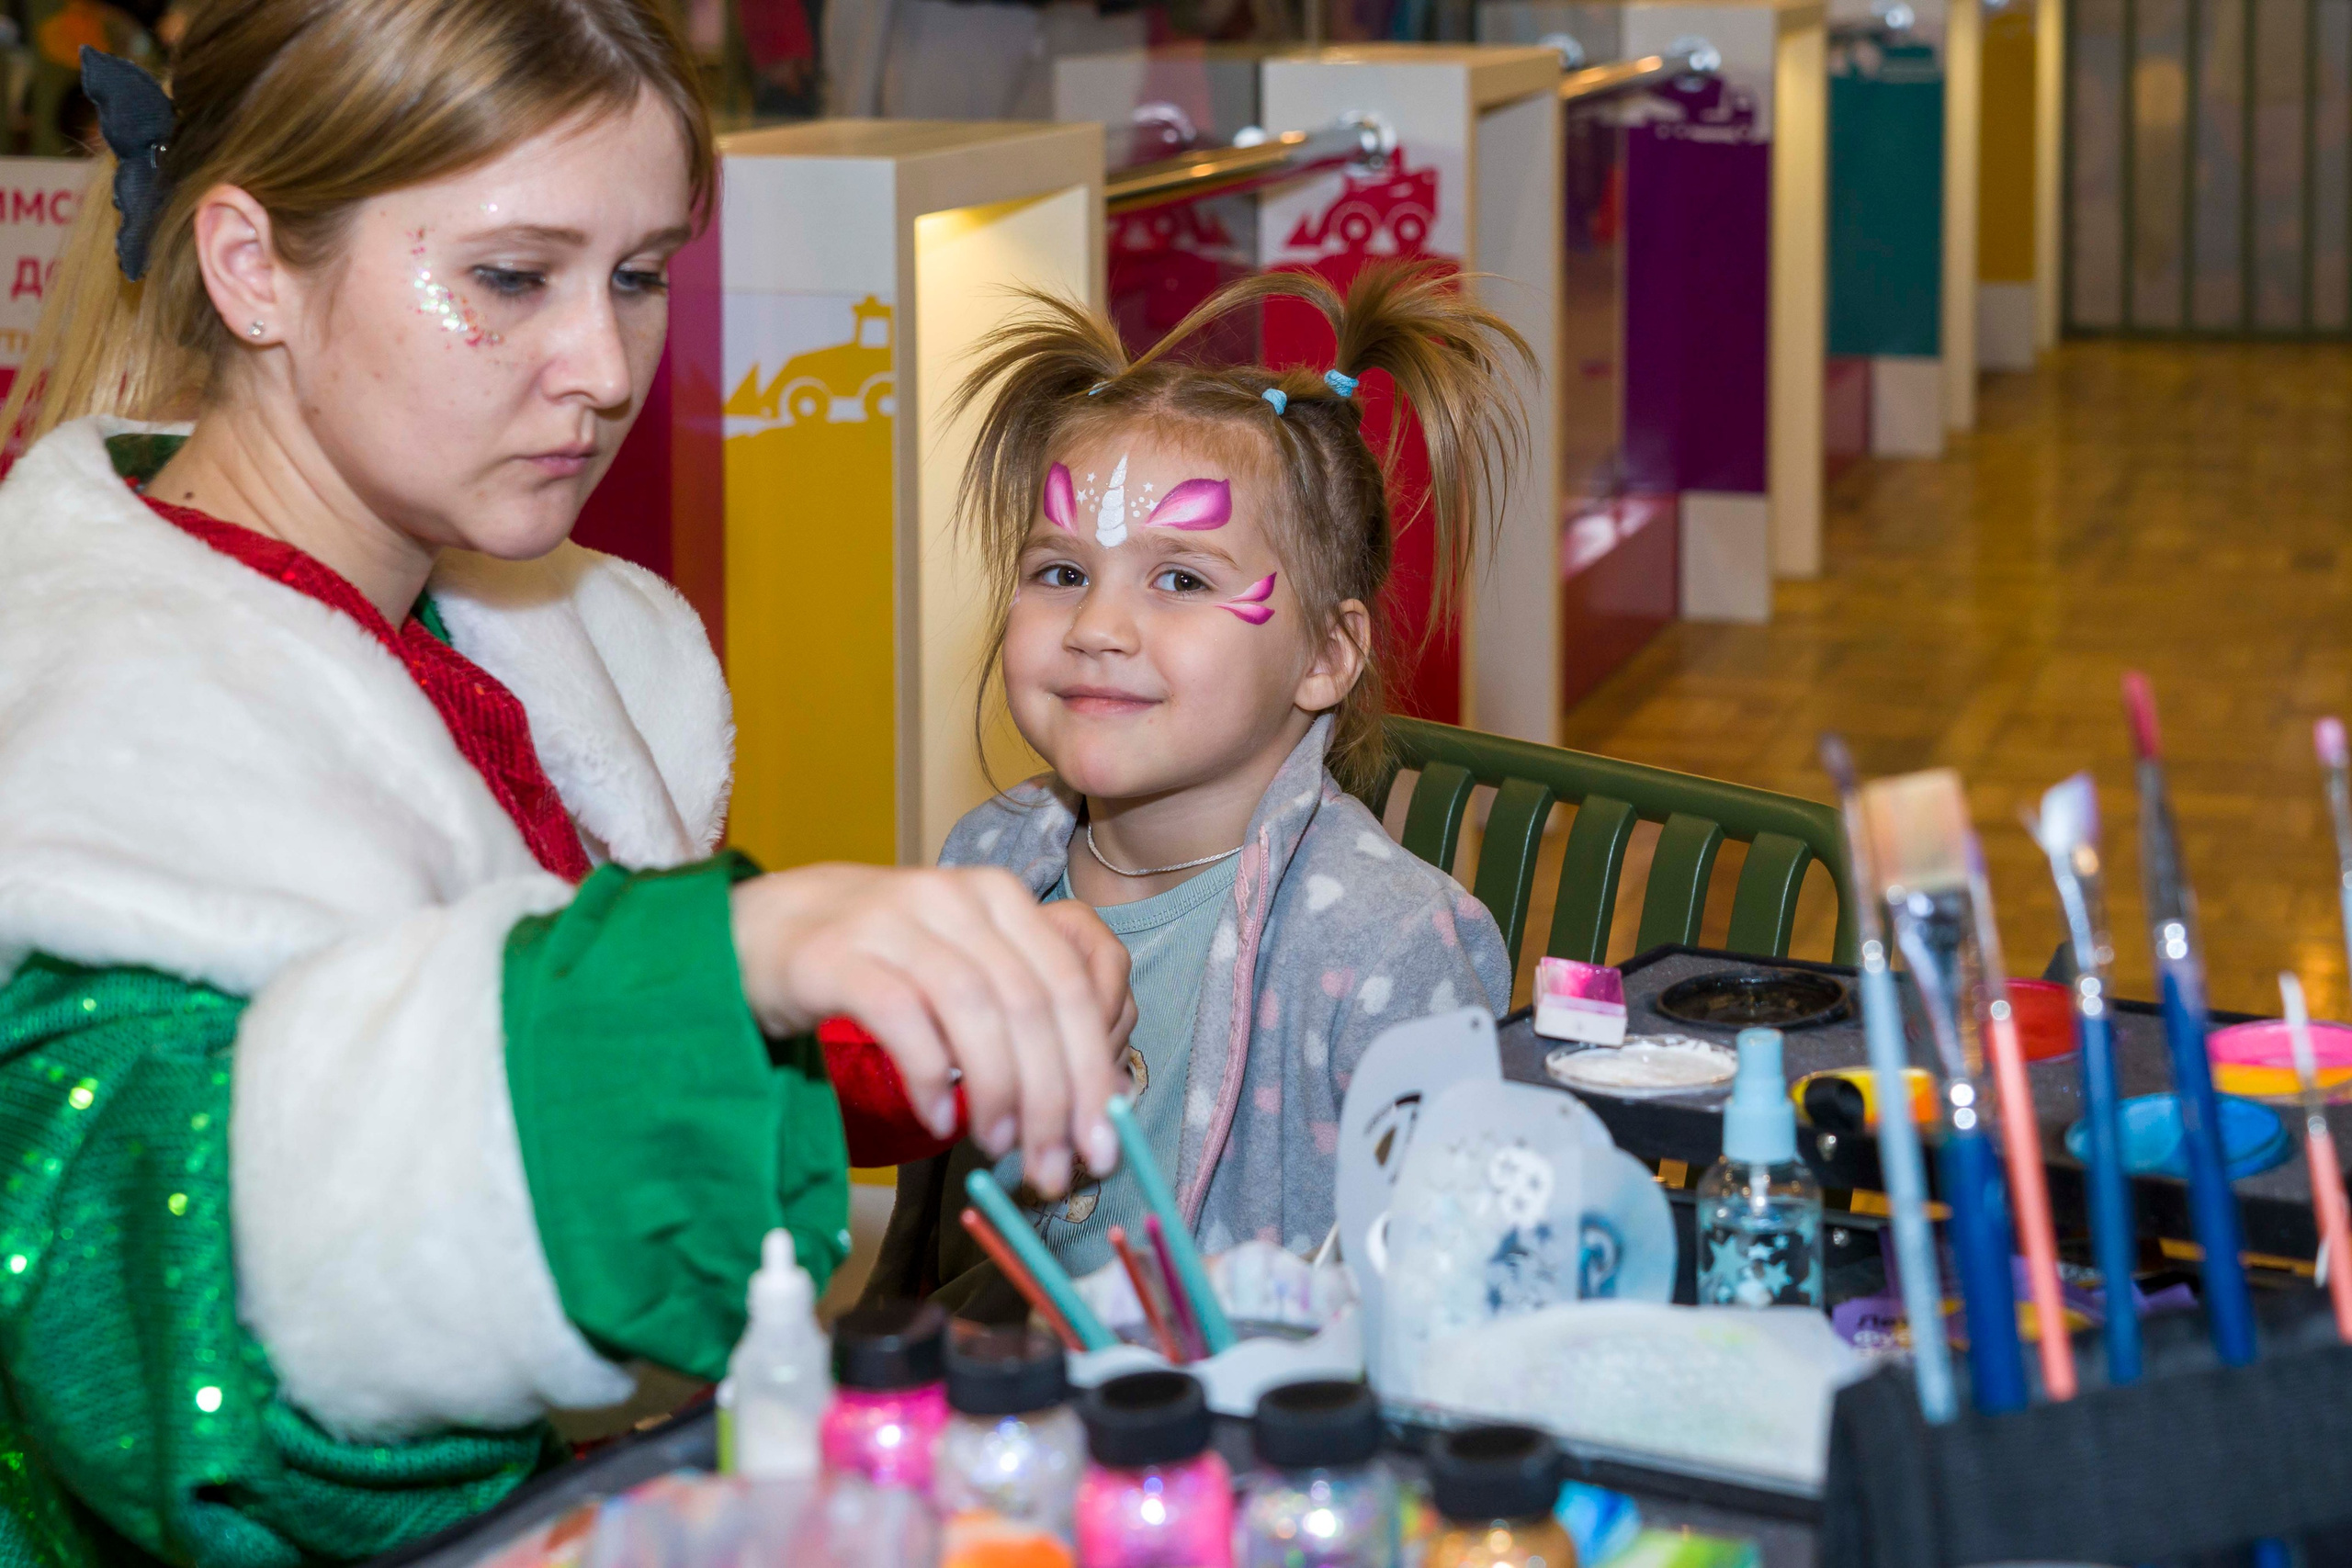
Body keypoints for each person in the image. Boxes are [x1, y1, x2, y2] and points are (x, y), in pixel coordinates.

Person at [0, 6, 1129, 1563]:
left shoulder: (541, 637)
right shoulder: (89, 733)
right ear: (253, 267)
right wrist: (731, 961)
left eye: (641, 274)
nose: (601, 365)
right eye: (510, 278)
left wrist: (899, 1010)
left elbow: (526, 1008)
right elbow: (182, 1346)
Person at [867, 264, 1532, 1313]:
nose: (1096, 626)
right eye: (1059, 571)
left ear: (1325, 653)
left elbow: (1444, 1298)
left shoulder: (1386, 948)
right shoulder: (986, 862)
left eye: (1179, 579)